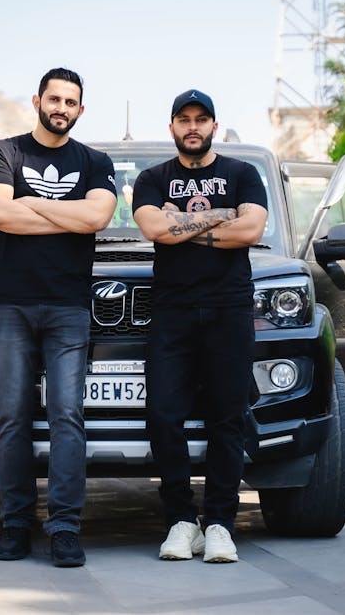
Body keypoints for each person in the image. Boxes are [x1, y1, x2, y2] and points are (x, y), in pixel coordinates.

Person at [0, 67, 117, 567]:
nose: (61, 108)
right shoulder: (5, 152)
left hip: (68, 307)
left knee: (67, 416)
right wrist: (67, 215)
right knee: (13, 417)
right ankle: (16, 525)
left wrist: (30, 202)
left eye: (70, 102)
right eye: (54, 99)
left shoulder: (95, 161)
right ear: (37, 101)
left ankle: (64, 528)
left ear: (81, 109)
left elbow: (97, 218)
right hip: (11, 305)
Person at [132, 89, 269, 563]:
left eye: (201, 119)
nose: (193, 126)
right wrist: (221, 217)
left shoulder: (242, 174)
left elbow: (251, 230)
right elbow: (153, 229)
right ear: (172, 127)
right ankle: (180, 520)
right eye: (184, 119)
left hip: (229, 309)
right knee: (162, 415)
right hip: (171, 311)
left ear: (213, 125)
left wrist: (182, 226)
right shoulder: (152, 179)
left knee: (227, 418)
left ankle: (220, 525)